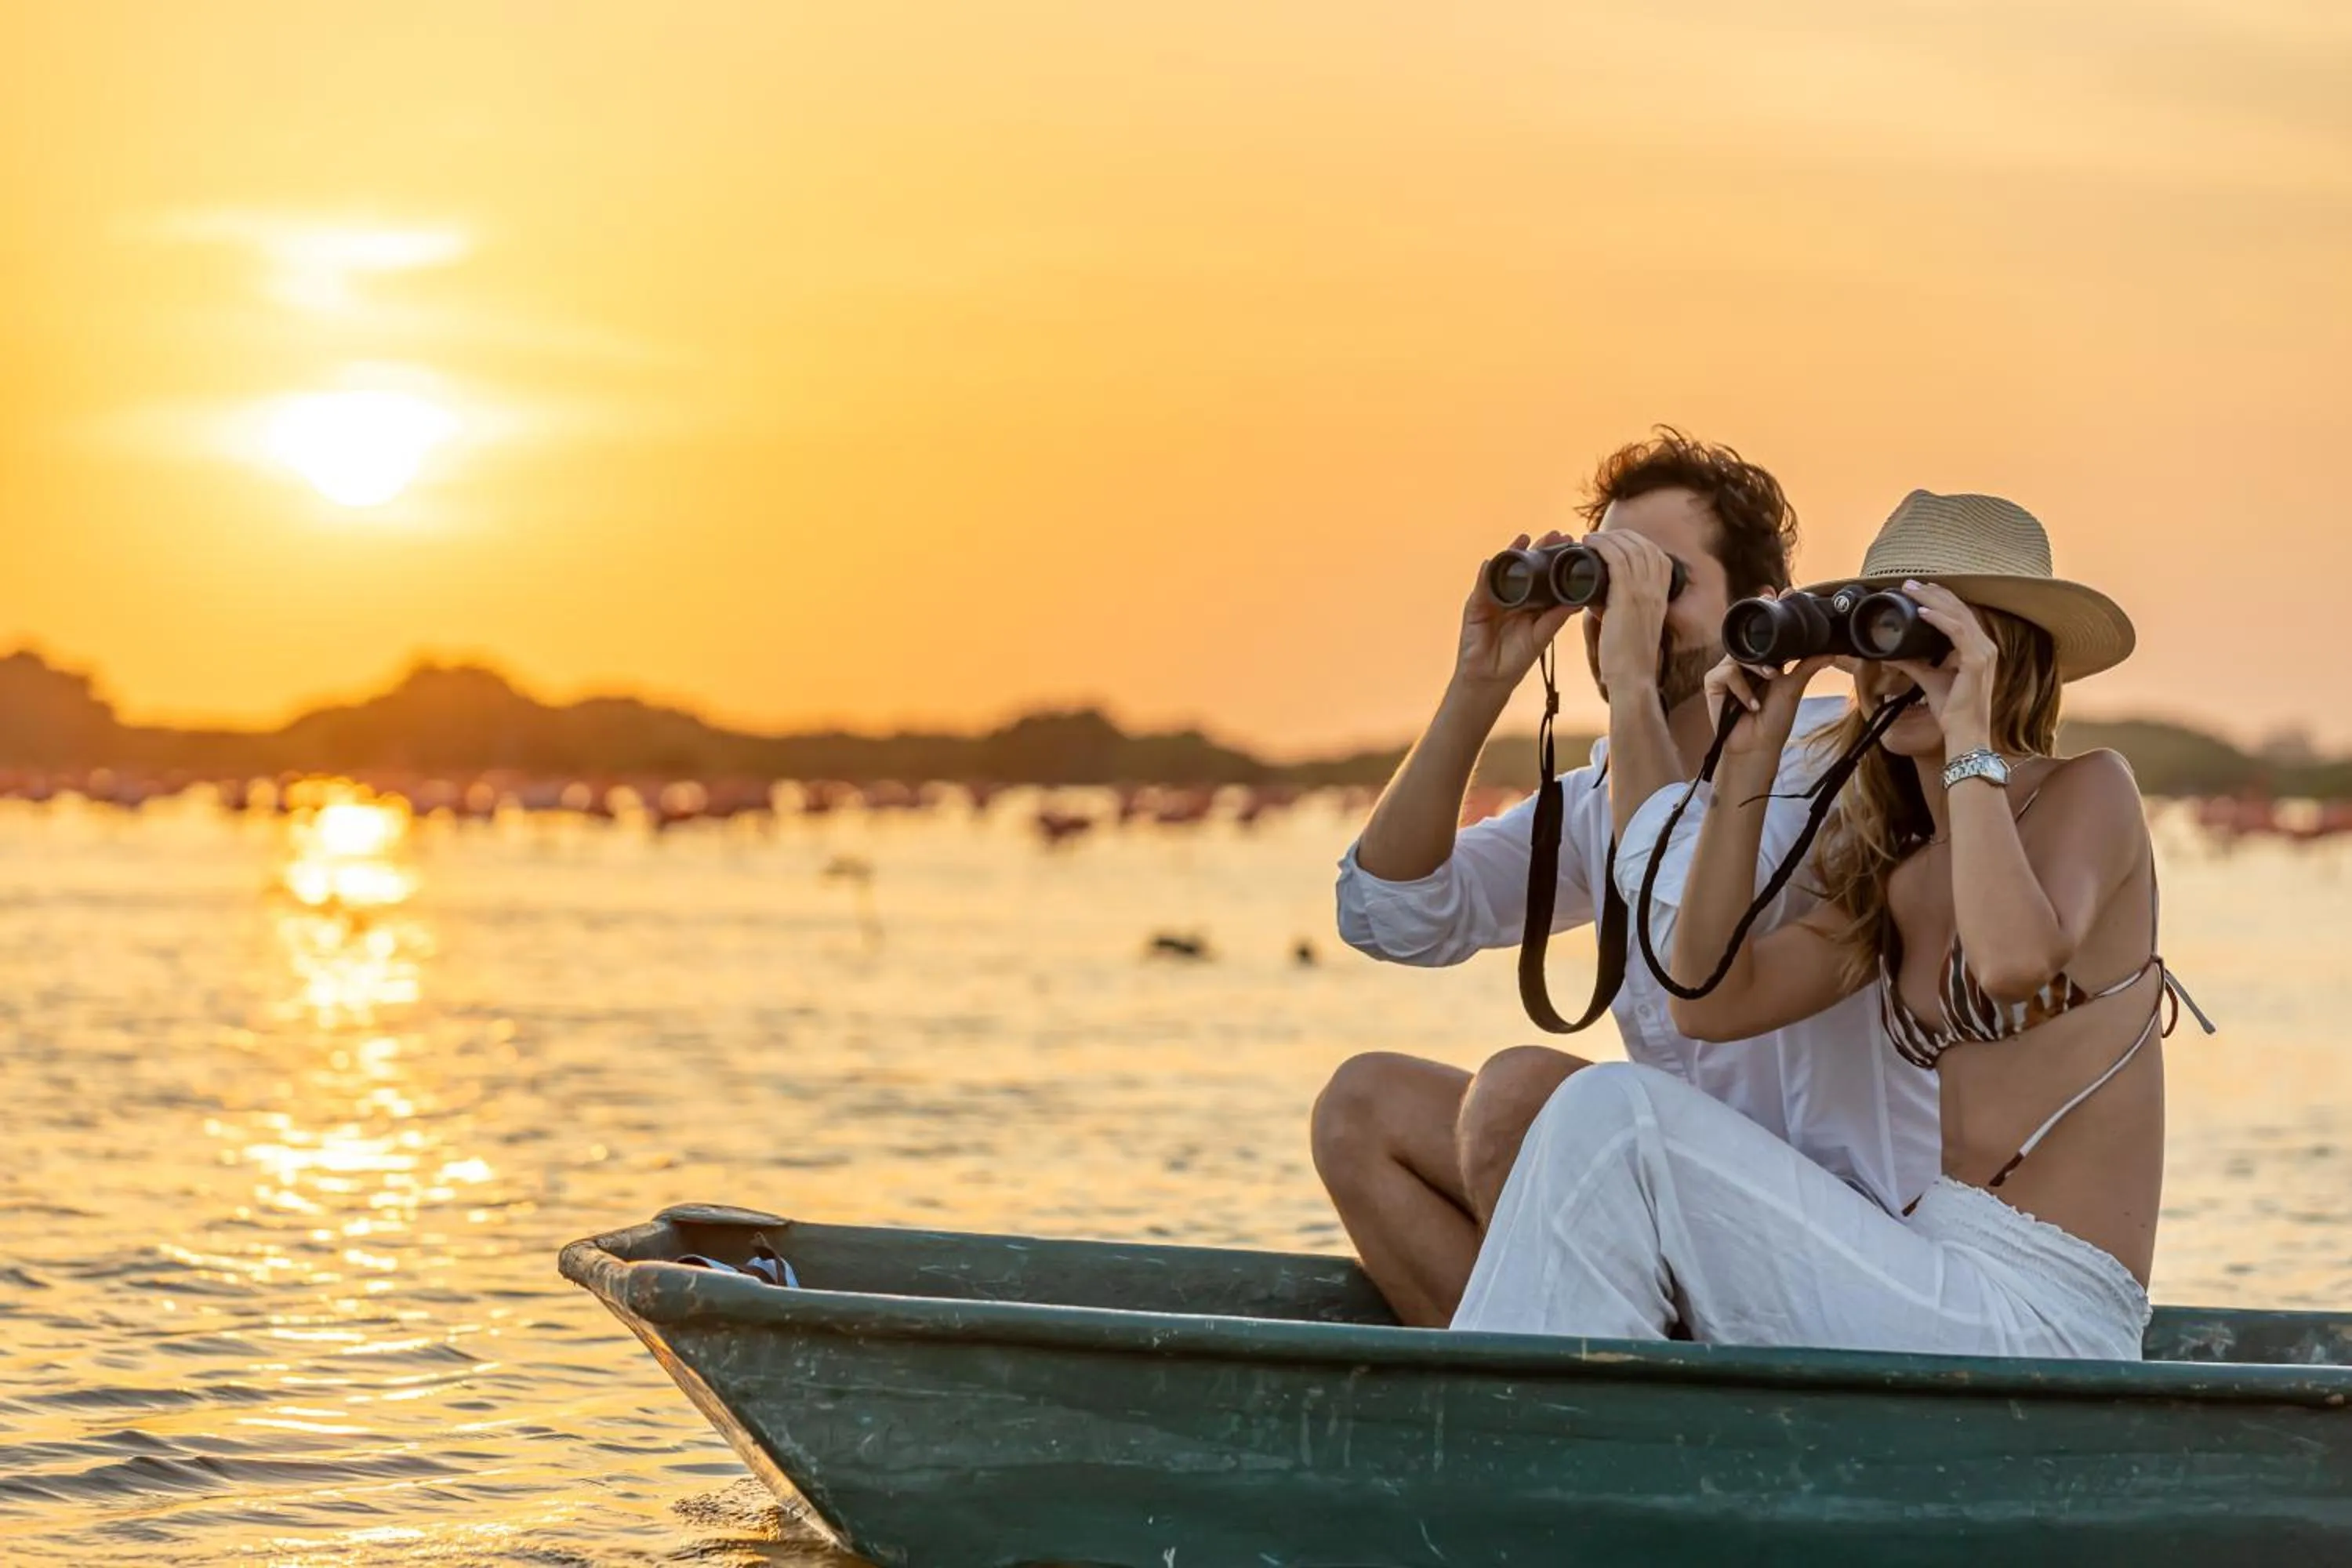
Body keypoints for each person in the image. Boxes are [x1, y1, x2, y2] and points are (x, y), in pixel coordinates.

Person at [1454, 489, 2210, 1360]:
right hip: (1939, 1266)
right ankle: (1560, 1427)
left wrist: (1970, 726)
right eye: (1883, 637)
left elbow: (2011, 962)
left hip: (2052, 1313)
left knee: (1616, 1116)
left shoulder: (2090, 790)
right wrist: (1750, 753)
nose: (1904, 666)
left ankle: (1522, 1429)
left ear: (2010, 655)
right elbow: (1703, 996)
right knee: (1597, 1114)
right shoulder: (1901, 877)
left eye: (1935, 636)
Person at [1317, 430, 1938, 1327]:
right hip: (1666, 1213)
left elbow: (1679, 897)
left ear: (1758, 611)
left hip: (1845, 1239)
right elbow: (1390, 914)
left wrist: (1636, 685)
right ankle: (1533, 1414)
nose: (1629, 614)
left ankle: (1585, 1407)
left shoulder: (1839, 759)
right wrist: (1478, 683)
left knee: (1522, 1097)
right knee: (1362, 1108)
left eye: (1665, 582)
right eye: (1608, 582)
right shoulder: (1599, 794)